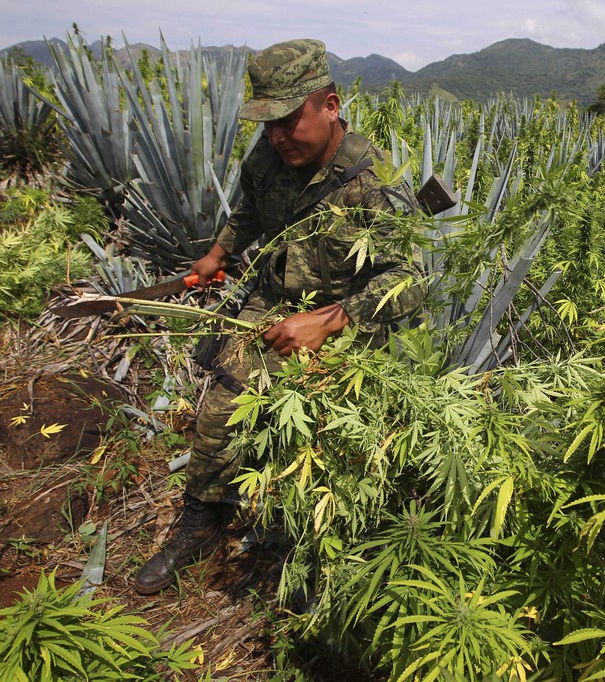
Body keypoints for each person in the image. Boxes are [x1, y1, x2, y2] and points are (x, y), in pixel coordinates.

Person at [133, 39, 426, 595]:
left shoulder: (374, 180)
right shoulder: (269, 157)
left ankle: (329, 562)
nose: (277, 136)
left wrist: (332, 320)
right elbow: (248, 210)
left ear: (330, 106)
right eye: (267, 124)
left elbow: (410, 281)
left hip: (347, 323)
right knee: (220, 407)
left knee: (338, 450)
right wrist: (217, 255)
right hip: (273, 303)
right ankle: (202, 523)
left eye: (289, 121)